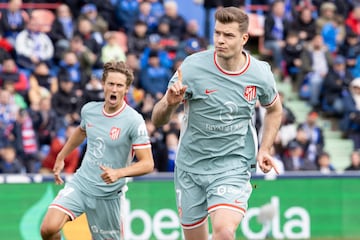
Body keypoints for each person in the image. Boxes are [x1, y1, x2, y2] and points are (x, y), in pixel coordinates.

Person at [151, 7, 283, 240]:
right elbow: (157, 119)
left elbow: (274, 109)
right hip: (190, 166)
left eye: (229, 35)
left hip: (232, 164)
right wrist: (170, 104)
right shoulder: (192, 67)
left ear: (244, 38)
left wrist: (265, 148)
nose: (220, 40)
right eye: (217, 33)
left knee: (223, 232)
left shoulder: (259, 74)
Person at [40, 60, 154, 240]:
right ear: (103, 84)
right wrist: (62, 156)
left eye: (119, 85)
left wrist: (119, 173)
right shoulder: (90, 110)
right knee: (48, 228)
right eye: (111, 84)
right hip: (82, 184)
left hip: (108, 195)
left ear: (126, 89)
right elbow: (81, 131)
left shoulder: (134, 120)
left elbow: (148, 164)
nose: (114, 89)